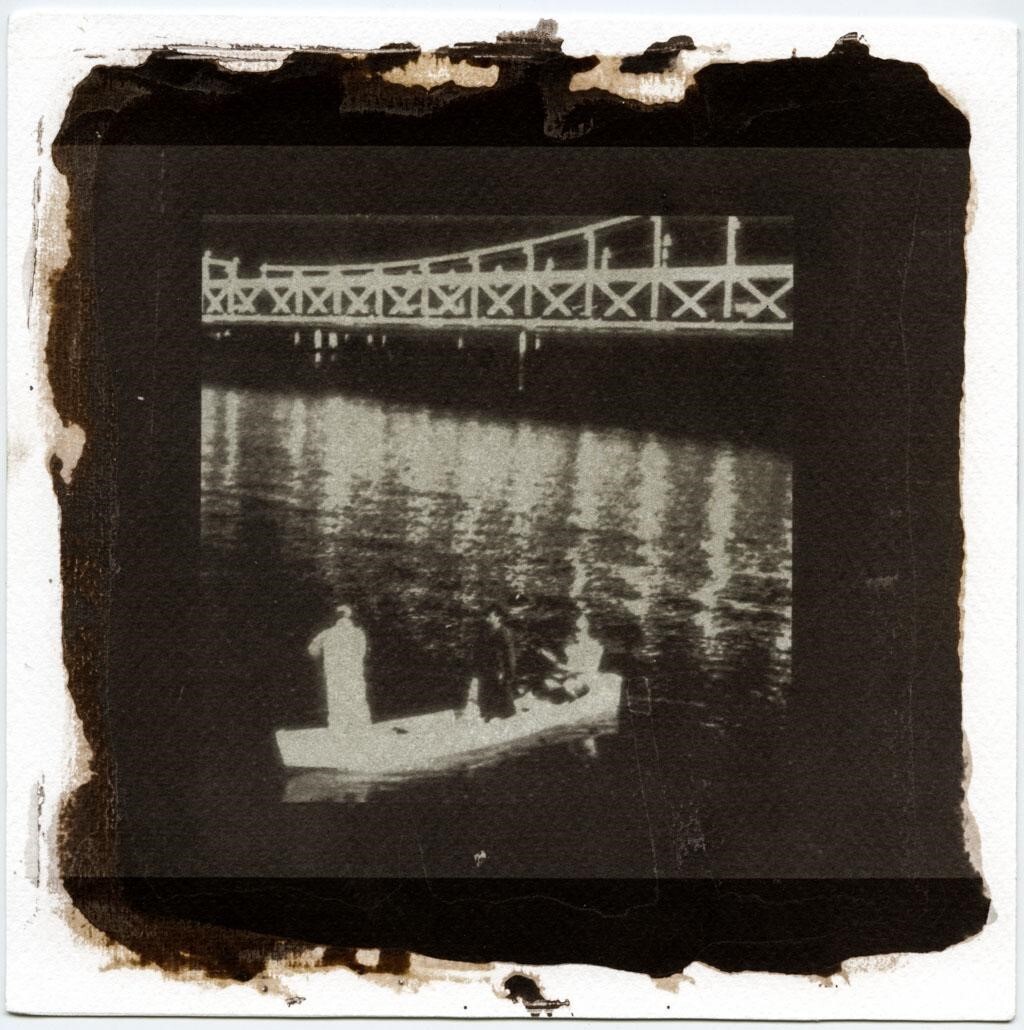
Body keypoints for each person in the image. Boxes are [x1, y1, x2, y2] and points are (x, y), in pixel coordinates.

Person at [307, 603, 370, 731]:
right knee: (356, 695)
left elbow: (312, 650)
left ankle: (339, 726)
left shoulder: (326, 633)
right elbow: (362, 652)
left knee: (336, 697)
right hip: (353, 671)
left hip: (334, 672)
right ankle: (360, 725)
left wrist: (323, 657)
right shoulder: (358, 633)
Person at [539, 613, 604, 702]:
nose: (566, 688)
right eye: (571, 689)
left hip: (565, 640)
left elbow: (555, 664)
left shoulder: (566, 676)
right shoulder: (580, 669)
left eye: (567, 690)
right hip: (573, 637)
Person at [471, 604, 517, 721]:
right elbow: (478, 651)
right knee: (485, 691)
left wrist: (507, 671)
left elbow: (509, 654)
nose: (487, 619)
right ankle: (488, 713)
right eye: (486, 616)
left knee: (501, 692)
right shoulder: (484, 631)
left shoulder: (504, 632)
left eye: (490, 616)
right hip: (485, 668)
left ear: (498, 617)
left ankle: (505, 715)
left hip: (499, 668)